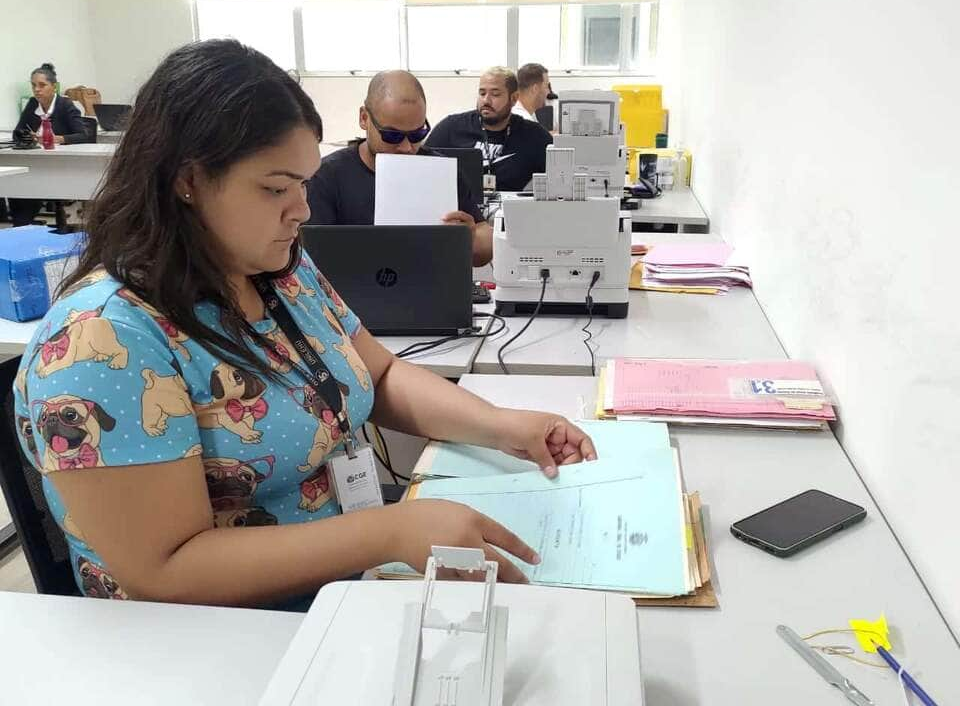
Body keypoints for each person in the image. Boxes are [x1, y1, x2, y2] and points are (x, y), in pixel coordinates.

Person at [12, 40, 596, 610]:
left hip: (346, 581)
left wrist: (502, 426)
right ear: (186, 180)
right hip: (215, 637)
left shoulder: (276, 266)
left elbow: (382, 372)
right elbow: (163, 571)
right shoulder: (101, 340)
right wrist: (390, 533)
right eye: (275, 188)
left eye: (303, 183)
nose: (303, 209)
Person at [306, 71, 492, 267]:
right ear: (364, 118)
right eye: (392, 136)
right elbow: (311, 259)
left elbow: (484, 239)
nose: (406, 148)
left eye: (417, 134)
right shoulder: (326, 177)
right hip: (348, 294)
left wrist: (469, 238)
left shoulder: (439, 172)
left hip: (428, 288)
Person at [425, 67, 552, 192]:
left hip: (509, 210)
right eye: (482, 93)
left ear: (513, 98)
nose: (486, 100)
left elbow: (560, 174)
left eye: (495, 94)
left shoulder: (533, 136)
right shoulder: (452, 127)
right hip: (461, 209)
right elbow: (423, 167)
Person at [9, 62, 93, 226]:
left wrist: (58, 139)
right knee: (19, 188)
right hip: (35, 162)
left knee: (33, 186)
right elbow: (17, 132)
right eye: (33, 85)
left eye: (42, 85)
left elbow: (84, 135)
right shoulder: (33, 104)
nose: (37, 90)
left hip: (63, 164)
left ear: (53, 87)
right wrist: (28, 137)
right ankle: (21, 226)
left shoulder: (65, 105)